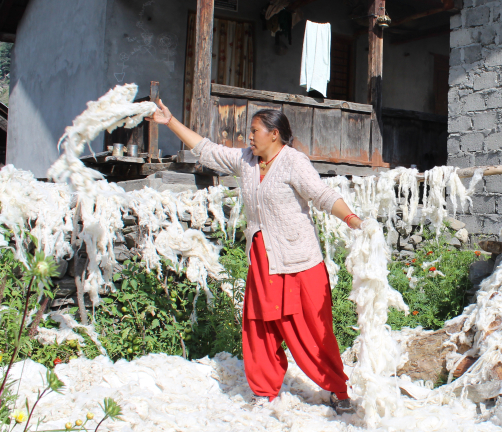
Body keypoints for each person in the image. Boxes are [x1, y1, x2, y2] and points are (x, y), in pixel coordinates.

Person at [148, 100, 361, 413]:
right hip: (263, 260)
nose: (249, 137)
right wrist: (170, 122)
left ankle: (337, 389)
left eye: (254, 131)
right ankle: (264, 391)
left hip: (300, 261)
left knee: (314, 330)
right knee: (259, 326)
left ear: (274, 135)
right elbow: (206, 150)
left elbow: (322, 195)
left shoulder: (293, 162)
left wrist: (352, 219)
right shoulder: (246, 160)